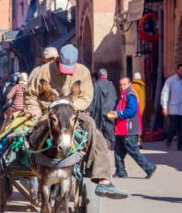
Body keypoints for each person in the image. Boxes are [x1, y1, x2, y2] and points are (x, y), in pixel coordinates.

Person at [24, 44, 128, 199]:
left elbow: (86, 97)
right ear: (58, 59)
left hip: (73, 111)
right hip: (48, 111)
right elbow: (30, 95)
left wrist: (69, 108)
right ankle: (30, 159)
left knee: (93, 127)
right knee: (31, 133)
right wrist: (35, 111)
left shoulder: (83, 72)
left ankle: (103, 178)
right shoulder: (43, 71)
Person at [109, 77, 156, 179]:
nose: (122, 87)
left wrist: (118, 114)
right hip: (122, 129)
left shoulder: (130, 95)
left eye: (124, 85)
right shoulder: (124, 95)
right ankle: (120, 171)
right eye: (120, 85)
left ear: (129, 84)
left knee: (133, 150)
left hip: (128, 129)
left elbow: (132, 110)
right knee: (118, 151)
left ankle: (149, 167)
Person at [161, 63, 182, 151]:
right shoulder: (171, 81)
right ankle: (168, 141)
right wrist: (165, 107)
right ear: (177, 70)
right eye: (181, 70)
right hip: (173, 109)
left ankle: (180, 146)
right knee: (172, 127)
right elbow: (165, 94)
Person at [87, 68, 118, 148]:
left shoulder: (95, 85)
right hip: (110, 110)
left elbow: (93, 100)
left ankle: (100, 145)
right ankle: (110, 143)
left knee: (98, 128)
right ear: (106, 75)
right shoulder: (111, 85)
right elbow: (115, 98)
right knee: (110, 126)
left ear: (99, 75)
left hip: (98, 111)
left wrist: (89, 112)